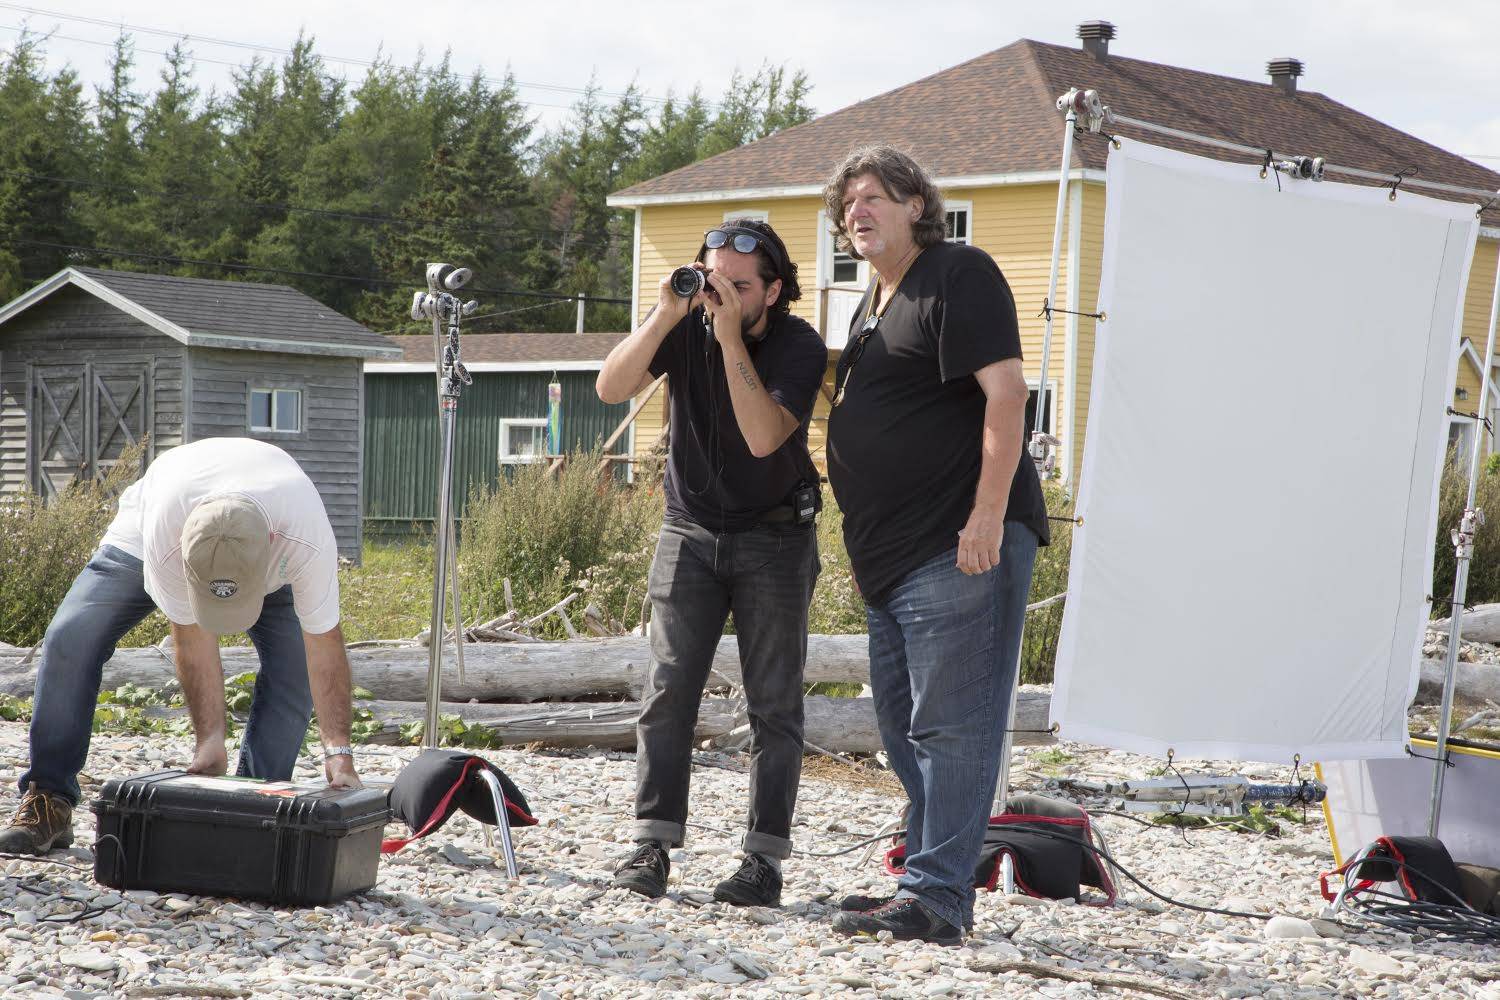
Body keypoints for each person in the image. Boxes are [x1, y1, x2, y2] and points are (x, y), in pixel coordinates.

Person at [822, 145, 1051, 945]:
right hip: (890, 559)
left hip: (957, 543)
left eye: (877, 197)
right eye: (849, 204)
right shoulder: (870, 303)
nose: (859, 212)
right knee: (902, 729)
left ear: (918, 204)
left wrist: (987, 517)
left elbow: (1007, 395)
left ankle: (940, 898)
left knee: (954, 727)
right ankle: (922, 873)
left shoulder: (959, 273)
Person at [596, 219, 826, 906]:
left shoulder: (798, 345)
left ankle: (762, 863)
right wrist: (667, 310)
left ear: (774, 290)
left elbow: (762, 438)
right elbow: (611, 387)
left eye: (740, 285)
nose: (721, 292)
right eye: (713, 277)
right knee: (667, 693)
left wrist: (729, 343)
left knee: (774, 706)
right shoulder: (685, 320)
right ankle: (652, 843)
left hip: (777, 537)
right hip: (688, 529)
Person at [0, 437, 363, 855]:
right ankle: (49, 798)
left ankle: (255, 806)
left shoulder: (306, 539)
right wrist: (209, 742)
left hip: (272, 552)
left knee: (295, 667)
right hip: (152, 535)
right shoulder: (166, 535)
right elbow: (192, 636)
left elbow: (324, 647)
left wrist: (339, 753)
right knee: (71, 636)